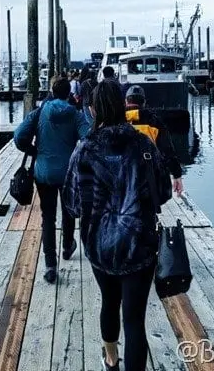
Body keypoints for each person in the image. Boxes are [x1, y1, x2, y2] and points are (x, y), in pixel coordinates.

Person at [63, 80, 174, 371]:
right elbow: (163, 193)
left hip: (99, 245)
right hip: (139, 243)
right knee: (135, 319)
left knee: (109, 302)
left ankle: (111, 359)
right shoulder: (144, 144)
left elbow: (72, 204)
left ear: (91, 110)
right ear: (123, 106)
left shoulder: (83, 150)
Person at [14, 77, 90, 284]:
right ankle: (67, 246)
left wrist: (33, 150)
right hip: (67, 172)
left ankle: (50, 265)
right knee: (68, 211)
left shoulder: (40, 111)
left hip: (43, 173)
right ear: (69, 94)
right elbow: (89, 139)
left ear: (51, 91)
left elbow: (19, 136)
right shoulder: (75, 114)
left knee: (48, 217)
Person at [124, 85, 184, 195]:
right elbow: (167, 152)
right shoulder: (155, 122)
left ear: (126, 101)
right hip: (149, 177)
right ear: (144, 102)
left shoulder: (116, 121)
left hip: (122, 177)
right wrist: (177, 175)